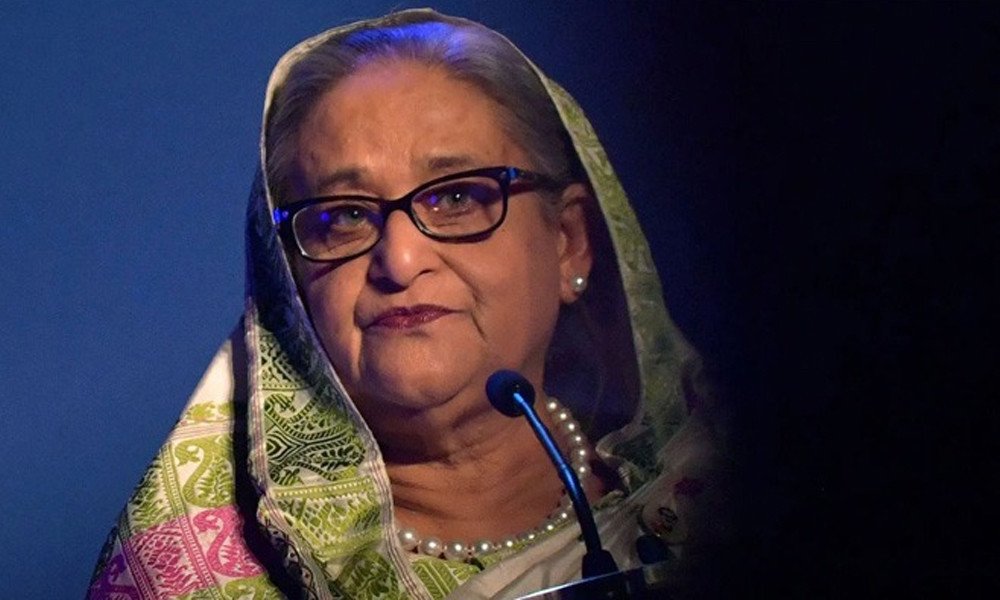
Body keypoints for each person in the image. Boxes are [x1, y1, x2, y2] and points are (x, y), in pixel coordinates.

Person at [89, 9, 728, 599]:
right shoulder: (192, 580)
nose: (399, 260)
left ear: (568, 243)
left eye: (455, 198)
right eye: (344, 216)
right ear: (288, 285)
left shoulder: (730, 494)